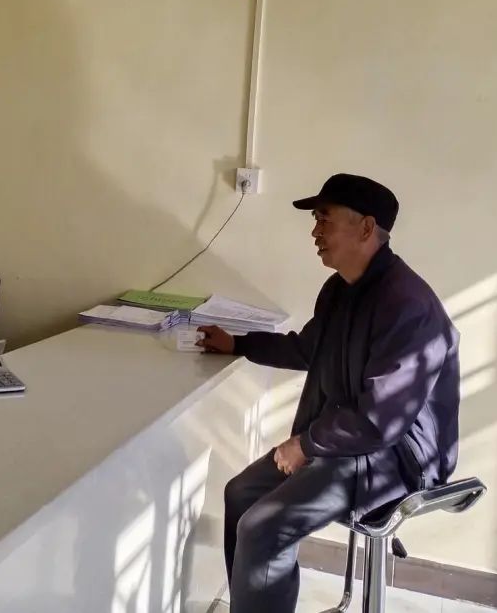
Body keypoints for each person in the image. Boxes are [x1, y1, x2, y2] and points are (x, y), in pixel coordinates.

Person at [197, 174, 460, 613]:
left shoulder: (407, 305)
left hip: (396, 459)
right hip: (347, 442)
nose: (315, 232)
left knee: (264, 526)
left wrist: (306, 444)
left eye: (325, 219)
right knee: (241, 494)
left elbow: (382, 421)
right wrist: (239, 343)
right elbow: (308, 348)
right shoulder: (340, 289)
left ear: (366, 227)